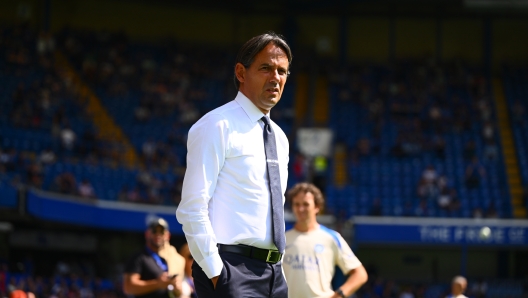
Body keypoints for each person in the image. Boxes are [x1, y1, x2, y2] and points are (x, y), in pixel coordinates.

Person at [176, 32, 292, 297]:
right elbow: (192, 208)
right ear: (241, 72)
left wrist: (279, 268)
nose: (276, 77)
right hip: (230, 270)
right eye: (266, 68)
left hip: (274, 275)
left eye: (282, 71)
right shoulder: (216, 125)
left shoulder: (281, 138)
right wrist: (217, 274)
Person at [283, 183, 368, 298]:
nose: (300, 209)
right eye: (296, 204)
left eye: (306, 204)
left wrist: (339, 295)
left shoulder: (331, 238)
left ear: (317, 207)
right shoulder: (282, 238)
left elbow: (360, 274)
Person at [123, 217, 182, 298]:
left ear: (167, 235)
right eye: (154, 231)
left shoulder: (169, 259)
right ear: (147, 234)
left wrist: (177, 289)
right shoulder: (139, 257)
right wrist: (157, 284)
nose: (158, 235)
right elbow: (128, 287)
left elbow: (175, 293)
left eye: (161, 231)